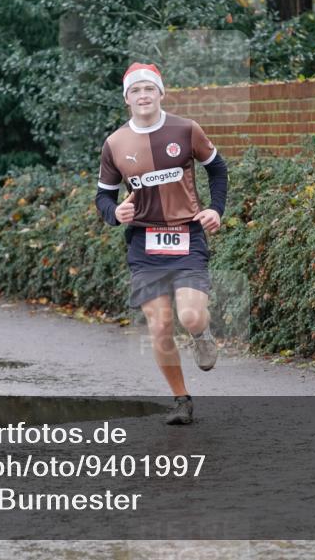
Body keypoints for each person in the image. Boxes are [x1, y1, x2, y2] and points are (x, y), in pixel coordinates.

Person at [95, 62, 228, 425]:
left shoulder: (186, 130)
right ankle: (181, 399)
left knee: (189, 315)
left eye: (148, 89)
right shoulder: (115, 143)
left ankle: (202, 334)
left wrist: (216, 209)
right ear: (126, 99)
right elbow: (104, 197)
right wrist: (114, 213)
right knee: (160, 325)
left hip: (187, 235)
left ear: (160, 93)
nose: (142, 96)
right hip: (143, 241)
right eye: (135, 91)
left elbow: (217, 168)